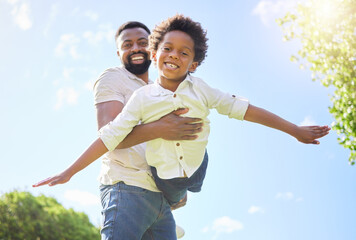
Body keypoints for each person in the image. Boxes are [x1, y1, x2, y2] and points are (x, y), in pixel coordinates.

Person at [34, 15, 330, 238]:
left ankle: (176, 196)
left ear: (194, 64)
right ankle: (175, 198)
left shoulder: (199, 88)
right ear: (155, 53)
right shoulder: (134, 92)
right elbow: (110, 135)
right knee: (171, 174)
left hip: (172, 183)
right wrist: (69, 171)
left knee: (196, 156)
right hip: (138, 184)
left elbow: (243, 109)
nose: (174, 54)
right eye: (168, 49)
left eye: (184, 52)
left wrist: (295, 129)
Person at [33, 21, 203, 240]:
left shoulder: (158, 88)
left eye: (142, 43)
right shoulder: (114, 77)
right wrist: (161, 128)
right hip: (127, 187)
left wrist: (177, 182)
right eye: (127, 44)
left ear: (153, 49)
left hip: (160, 197)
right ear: (119, 52)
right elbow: (109, 134)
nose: (135, 48)